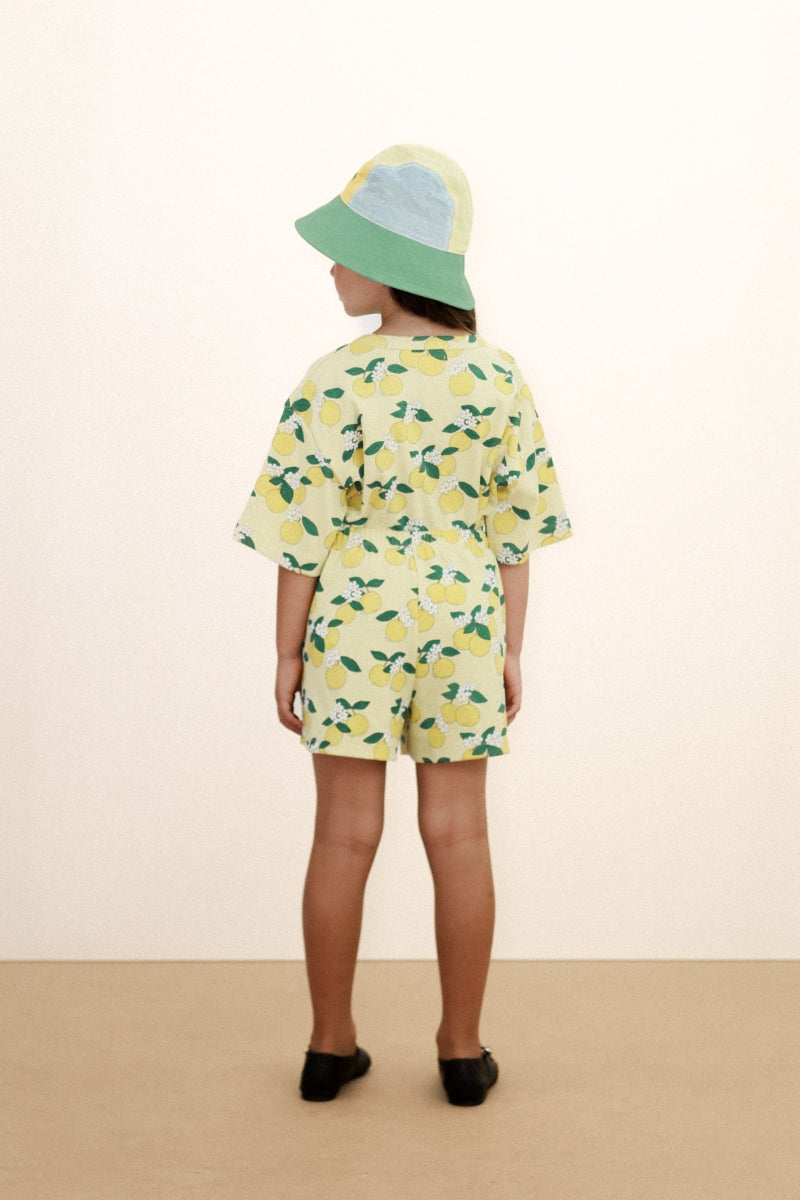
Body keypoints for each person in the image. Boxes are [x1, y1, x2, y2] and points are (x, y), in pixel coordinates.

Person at [234, 145, 572, 1106]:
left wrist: (287, 650)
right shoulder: (497, 378)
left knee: (343, 836)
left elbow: (301, 537)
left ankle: (328, 1046)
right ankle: (462, 1051)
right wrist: (510, 648)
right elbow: (516, 535)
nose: (332, 267)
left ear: (390, 260)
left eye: (346, 250)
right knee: (460, 835)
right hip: (463, 616)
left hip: (353, 621)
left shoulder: (333, 380)